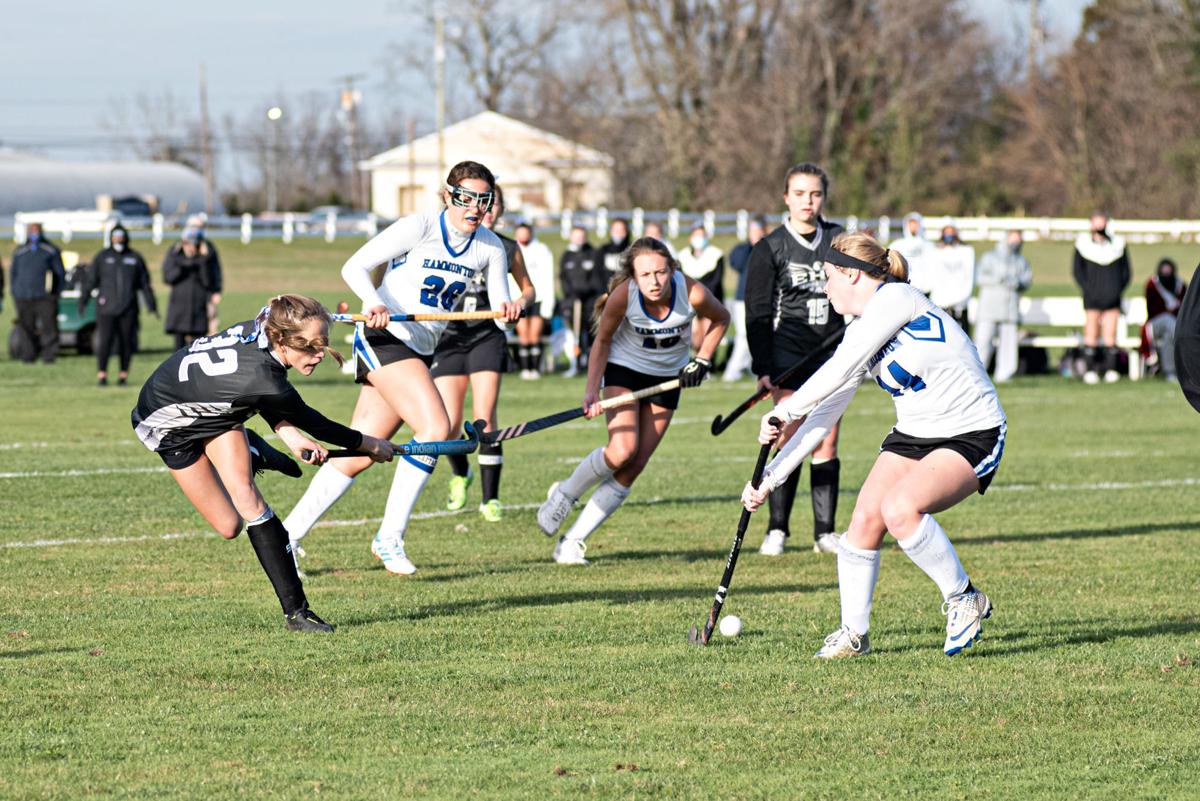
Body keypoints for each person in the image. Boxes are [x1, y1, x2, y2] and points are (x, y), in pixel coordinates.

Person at [742, 232, 1004, 658]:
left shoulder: (896, 297)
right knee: (862, 523)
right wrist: (771, 476)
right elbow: (824, 414)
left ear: (852, 274)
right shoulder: (862, 328)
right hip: (915, 433)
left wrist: (784, 410)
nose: (824, 288)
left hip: (972, 430)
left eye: (828, 278)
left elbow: (838, 369)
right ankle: (854, 634)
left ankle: (963, 598)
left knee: (900, 508)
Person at [282, 160, 522, 576]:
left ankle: (287, 535)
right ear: (449, 196)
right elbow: (353, 267)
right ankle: (390, 537)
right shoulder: (421, 226)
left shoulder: (490, 247)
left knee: (361, 450)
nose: (475, 208)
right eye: (466, 198)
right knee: (434, 428)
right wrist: (373, 302)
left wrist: (510, 309)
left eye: (484, 200)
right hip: (385, 338)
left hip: (421, 350)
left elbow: (499, 315)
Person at [131, 295, 395, 632]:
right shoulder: (265, 380)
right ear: (282, 339)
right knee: (228, 527)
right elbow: (313, 421)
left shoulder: (261, 329)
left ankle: (297, 614)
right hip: (166, 425)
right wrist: (370, 444)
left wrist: (289, 435)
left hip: (219, 412)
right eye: (308, 346)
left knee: (249, 504)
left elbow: (260, 391)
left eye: (322, 344)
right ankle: (254, 452)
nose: (318, 355)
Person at [537, 237, 729, 564]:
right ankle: (566, 493)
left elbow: (721, 319)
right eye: (645, 275)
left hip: (668, 379)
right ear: (633, 276)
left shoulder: (691, 291)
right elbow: (602, 341)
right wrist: (590, 390)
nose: (654, 282)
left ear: (672, 270)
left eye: (661, 272)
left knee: (635, 465)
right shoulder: (623, 296)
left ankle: (572, 541)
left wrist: (703, 358)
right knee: (622, 449)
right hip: (624, 370)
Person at [744, 162, 846, 556]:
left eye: (815, 194)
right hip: (788, 355)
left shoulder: (838, 240)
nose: (808, 201)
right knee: (788, 437)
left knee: (827, 439)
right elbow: (756, 310)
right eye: (800, 193)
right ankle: (777, 529)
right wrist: (763, 367)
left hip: (833, 356)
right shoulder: (770, 247)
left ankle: (824, 533)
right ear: (786, 197)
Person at [432, 186, 535, 522]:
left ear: (499, 210)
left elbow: (529, 289)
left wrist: (519, 304)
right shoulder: (446, 241)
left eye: (491, 205)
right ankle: (461, 473)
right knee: (445, 423)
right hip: (448, 336)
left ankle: (491, 499)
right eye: (478, 203)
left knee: (485, 418)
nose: (484, 210)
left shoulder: (505, 246)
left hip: (486, 336)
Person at [80, 224, 158, 386]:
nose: (118, 240)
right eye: (115, 237)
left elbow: (144, 284)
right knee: (105, 341)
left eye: (121, 237)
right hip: (106, 308)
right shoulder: (102, 257)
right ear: (111, 238)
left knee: (126, 342)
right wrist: (83, 300)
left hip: (128, 308)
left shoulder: (134, 258)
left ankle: (123, 375)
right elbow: (91, 281)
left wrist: (151, 305)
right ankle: (102, 374)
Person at [1073, 212, 1131, 384]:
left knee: (1110, 336)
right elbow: (1078, 272)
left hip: (1112, 298)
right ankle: (1090, 370)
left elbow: (1126, 273)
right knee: (1091, 334)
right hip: (1092, 299)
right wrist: (1089, 289)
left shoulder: (1118, 246)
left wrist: (1115, 290)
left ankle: (1111, 369)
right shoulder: (1083, 246)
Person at [973, 230, 1032, 383]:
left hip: (1010, 308)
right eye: (1013, 239)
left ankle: (1004, 374)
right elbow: (980, 277)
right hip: (989, 308)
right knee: (983, 341)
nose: (1015, 243)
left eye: (1018, 240)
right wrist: (1000, 280)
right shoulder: (989, 257)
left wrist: (1016, 283)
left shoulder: (1021, 261)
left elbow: (1026, 280)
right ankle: (978, 373)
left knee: (1009, 344)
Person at [9, 222, 65, 364]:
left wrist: (55, 293)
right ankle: (28, 356)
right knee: (26, 327)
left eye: (36, 231)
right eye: (31, 231)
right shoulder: (20, 251)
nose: (34, 233)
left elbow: (59, 273)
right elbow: (13, 273)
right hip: (23, 296)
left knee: (49, 327)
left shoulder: (50, 250)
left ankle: (49, 356)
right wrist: (15, 292)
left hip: (44, 297)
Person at [559, 225, 606, 377]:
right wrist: (571, 293)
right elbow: (563, 278)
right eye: (576, 236)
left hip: (590, 301)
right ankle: (577, 363)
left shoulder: (593, 253)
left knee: (592, 334)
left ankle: (592, 364)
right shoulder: (567, 255)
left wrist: (587, 291)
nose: (579, 239)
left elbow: (597, 277)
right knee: (576, 335)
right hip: (574, 301)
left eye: (581, 236)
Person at [163, 226, 221, 350]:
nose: (191, 246)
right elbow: (168, 277)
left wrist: (203, 260)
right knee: (178, 348)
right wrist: (185, 263)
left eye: (195, 243)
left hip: (198, 305)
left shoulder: (205, 258)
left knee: (198, 346)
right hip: (179, 305)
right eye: (188, 243)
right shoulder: (175, 255)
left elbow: (208, 281)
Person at [723, 217, 765, 381]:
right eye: (752, 231)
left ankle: (753, 369)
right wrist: (751, 245)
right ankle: (733, 371)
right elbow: (737, 263)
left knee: (757, 335)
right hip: (742, 299)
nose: (755, 234)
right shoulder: (742, 249)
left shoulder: (768, 248)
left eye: (758, 230)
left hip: (762, 299)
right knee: (743, 335)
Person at [513, 222, 556, 379]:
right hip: (518, 298)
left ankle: (535, 368)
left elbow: (548, 276)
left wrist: (548, 304)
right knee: (523, 334)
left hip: (538, 298)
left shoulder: (542, 250)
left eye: (526, 233)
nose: (523, 236)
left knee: (535, 334)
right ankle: (525, 368)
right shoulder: (512, 249)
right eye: (520, 233)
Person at [678, 225, 726, 353]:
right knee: (695, 338)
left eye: (701, 235)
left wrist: (703, 298)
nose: (699, 239)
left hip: (711, 300)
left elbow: (716, 281)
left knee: (708, 336)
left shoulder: (716, 255)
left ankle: (708, 366)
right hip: (690, 303)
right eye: (696, 235)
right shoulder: (683, 256)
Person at [1143, 258, 1186, 381]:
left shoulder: (1180, 284)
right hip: (1155, 323)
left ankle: (1170, 372)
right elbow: (1151, 309)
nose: (1166, 273)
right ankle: (1183, 360)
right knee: (1169, 321)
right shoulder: (1152, 284)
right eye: (1164, 270)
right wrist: (1168, 310)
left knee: (1169, 336)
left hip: (1174, 324)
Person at [929, 223, 975, 331]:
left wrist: (962, 298)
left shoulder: (966, 251)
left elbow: (969, 277)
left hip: (960, 304)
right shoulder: (935, 251)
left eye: (951, 232)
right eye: (946, 232)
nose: (949, 235)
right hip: (940, 302)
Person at [185, 215, 224, 336]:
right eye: (194, 226)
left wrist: (216, 290)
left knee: (211, 323)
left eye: (200, 227)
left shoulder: (209, 247)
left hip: (206, 293)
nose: (197, 229)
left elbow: (216, 270)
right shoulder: (181, 247)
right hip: (187, 295)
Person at [889, 212, 934, 295]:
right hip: (905, 287)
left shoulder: (929, 245)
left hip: (924, 288)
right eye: (911, 224)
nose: (913, 227)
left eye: (915, 224)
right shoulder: (897, 245)